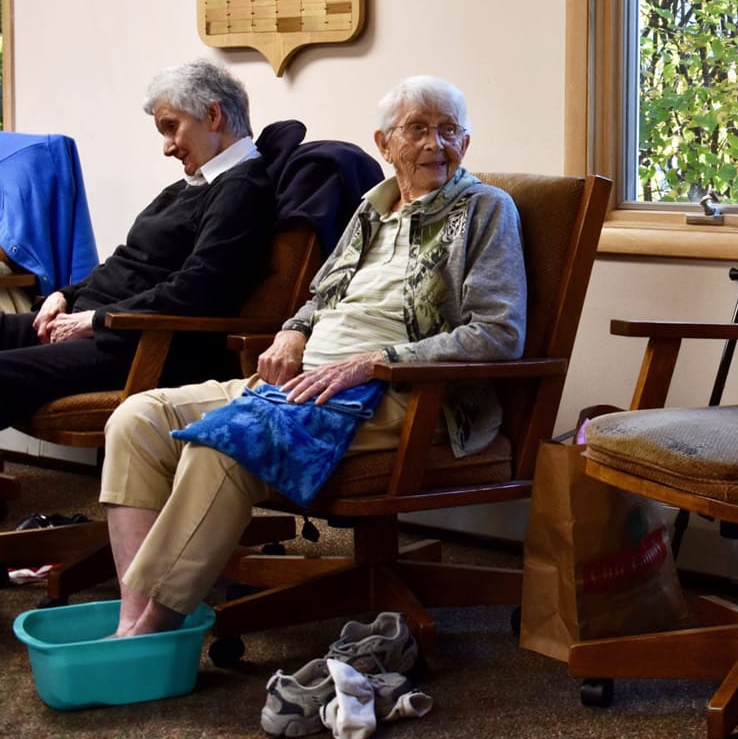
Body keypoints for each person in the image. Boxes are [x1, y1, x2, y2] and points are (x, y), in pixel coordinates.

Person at [100, 75, 527, 638]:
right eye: (417, 129)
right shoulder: (370, 210)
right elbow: (319, 298)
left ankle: (152, 631)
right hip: (303, 379)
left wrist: (375, 360)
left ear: (465, 145)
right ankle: (132, 616)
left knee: (228, 444)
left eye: (449, 131)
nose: (435, 144)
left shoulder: (486, 211)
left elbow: (498, 334)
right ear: (385, 143)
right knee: (136, 419)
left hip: (398, 392)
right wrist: (292, 335)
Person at [0, 60, 274, 428]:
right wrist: (65, 294)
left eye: (171, 128)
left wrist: (95, 320)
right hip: (96, 320)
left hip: (134, 342)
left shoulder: (241, 188)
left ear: (212, 115)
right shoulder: (192, 185)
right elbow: (127, 264)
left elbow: (199, 289)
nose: (167, 147)